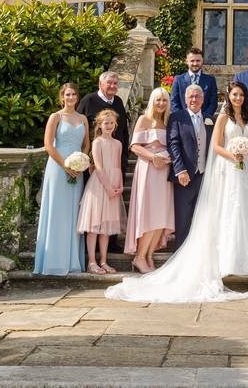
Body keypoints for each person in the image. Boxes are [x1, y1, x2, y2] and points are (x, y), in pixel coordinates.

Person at [106, 80, 248, 303]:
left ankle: (242, 260)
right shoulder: (202, 117)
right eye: (234, 94)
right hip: (207, 171)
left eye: (241, 95)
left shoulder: (240, 117)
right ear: (228, 96)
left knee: (241, 213)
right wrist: (225, 157)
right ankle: (179, 258)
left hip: (239, 172)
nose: (238, 98)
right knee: (189, 220)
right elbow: (195, 145)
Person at [33, 83, 90, 275]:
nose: (71, 97)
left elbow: (86, 145)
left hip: (77, 170)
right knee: (57, 210)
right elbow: (48, 145)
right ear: (62, 97)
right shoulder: (55, 117)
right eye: (68, 94)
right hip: (58, 168)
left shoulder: (82, 118)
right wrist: (66, 165)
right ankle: (53, 262)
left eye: (74, 94)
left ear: (77, 97)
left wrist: (81, 163)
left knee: (74, 213)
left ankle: (72, 262)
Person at [125, 88, 173, 273]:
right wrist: (153, 158)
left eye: (164, 100)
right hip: (148, 170)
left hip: (164, 172)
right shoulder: (144, 120)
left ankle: (149, 255)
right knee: (150, 214)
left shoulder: (167, 122)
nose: (161, 103)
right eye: (158, 100)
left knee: (161, 215)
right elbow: (135, 147)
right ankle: (139, 256)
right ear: (152, 100)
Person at [77, 110, 125, 274]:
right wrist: (108, 188)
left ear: (115, 125)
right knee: (94, 226)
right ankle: (92, 262)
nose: (109, 126)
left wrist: (119, 186)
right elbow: (98, 167)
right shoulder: (97, 142)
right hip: (99, 185)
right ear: (99, 125)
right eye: (106, 123)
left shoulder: (118, 144)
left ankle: (103, 261)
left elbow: (118, 166)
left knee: (105, 227)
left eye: (112, 123)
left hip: (113, 186)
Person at [166, 84, 212, 250]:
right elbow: (173, 143)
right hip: (185, 176)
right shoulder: (177, 117)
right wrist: (180, 170)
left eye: (197, 96)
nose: (194, 99)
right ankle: (180, 254)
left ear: (203, 99)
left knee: (205, 218)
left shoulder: (210, 119)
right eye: (191, 97)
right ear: (185, 99)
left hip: (206, 176)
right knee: (183, 218)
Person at [77, 70, 131, 177]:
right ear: (100, 84)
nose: (112, 86)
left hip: (116, 160)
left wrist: (124, 157)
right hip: (94, 161)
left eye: (115, 83)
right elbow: (77, 128)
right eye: (109, 82)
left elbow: (124, 131)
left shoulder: (118, 102)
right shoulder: (88, 101)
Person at [169, 47, 219, 121]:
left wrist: (203, 117)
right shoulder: (178, 80)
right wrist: (183, 117)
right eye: (192, 61)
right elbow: (174, 102)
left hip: (203, 121)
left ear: (202, 61)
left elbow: (213, 103)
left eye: (198, 60)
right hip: (183, 122)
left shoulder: (210, 80)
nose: (195, 64)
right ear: (186, 61)